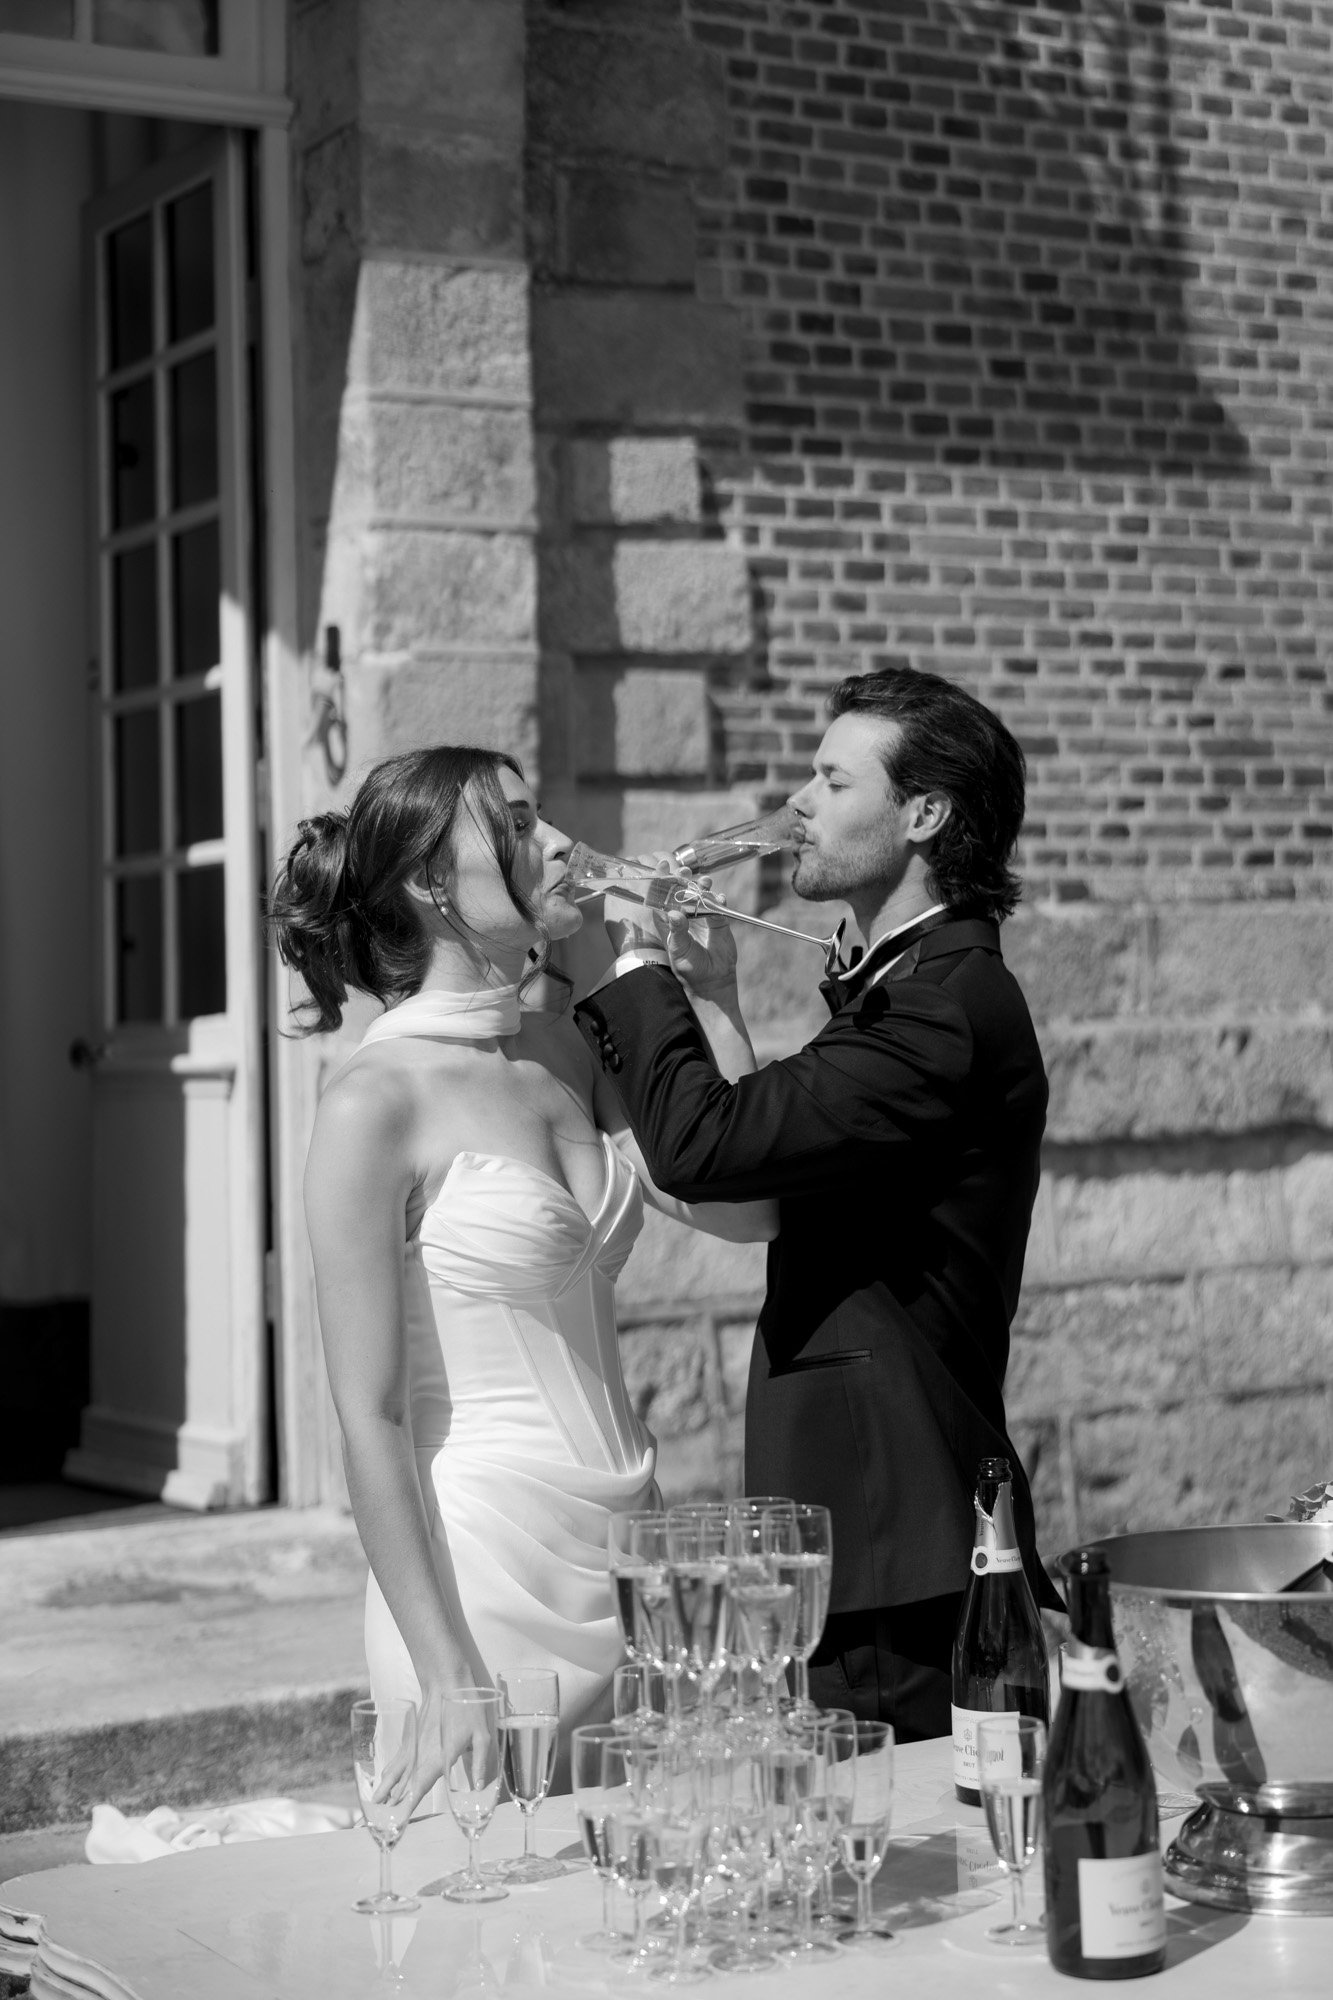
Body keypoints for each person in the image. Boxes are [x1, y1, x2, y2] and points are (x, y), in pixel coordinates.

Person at [270, 746, 774, 1798]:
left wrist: (711, 991)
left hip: (628, 1548)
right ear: (427, 883)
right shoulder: (374, 1103)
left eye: (539, 815)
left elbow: (746, 1205)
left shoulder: (570, 1048)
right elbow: (367, 1415)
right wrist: (445, 1664)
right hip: (480, 1564)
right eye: (513, 826)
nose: (554, 843)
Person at [575, 667, 1063, 1742]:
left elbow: (702, 1145)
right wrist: (713, 992)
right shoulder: (907, 987)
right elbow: (765, 1176)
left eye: (831, 778)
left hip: (899, 1525)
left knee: (898, 1864)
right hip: (870, 1528)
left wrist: (636, 956)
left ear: (923, 813)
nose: (795, 799)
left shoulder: (937, 1008)